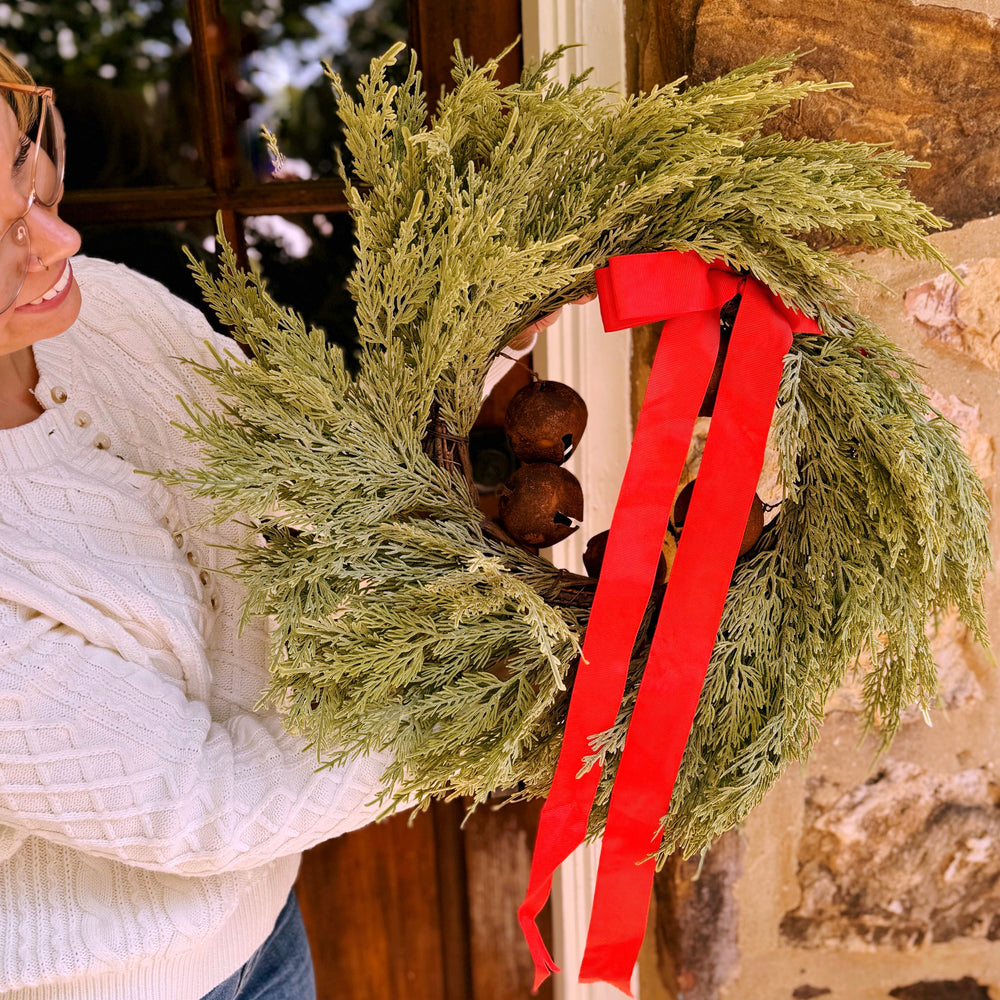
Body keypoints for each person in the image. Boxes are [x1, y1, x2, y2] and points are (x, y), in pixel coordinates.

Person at [0, 49, 550, 1000]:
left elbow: (298, 468)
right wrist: (495, 674)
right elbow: (210, 803)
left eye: (22, 163)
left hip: (260, 932)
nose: (58, 235)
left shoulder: (101, 318)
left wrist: (469, 329)